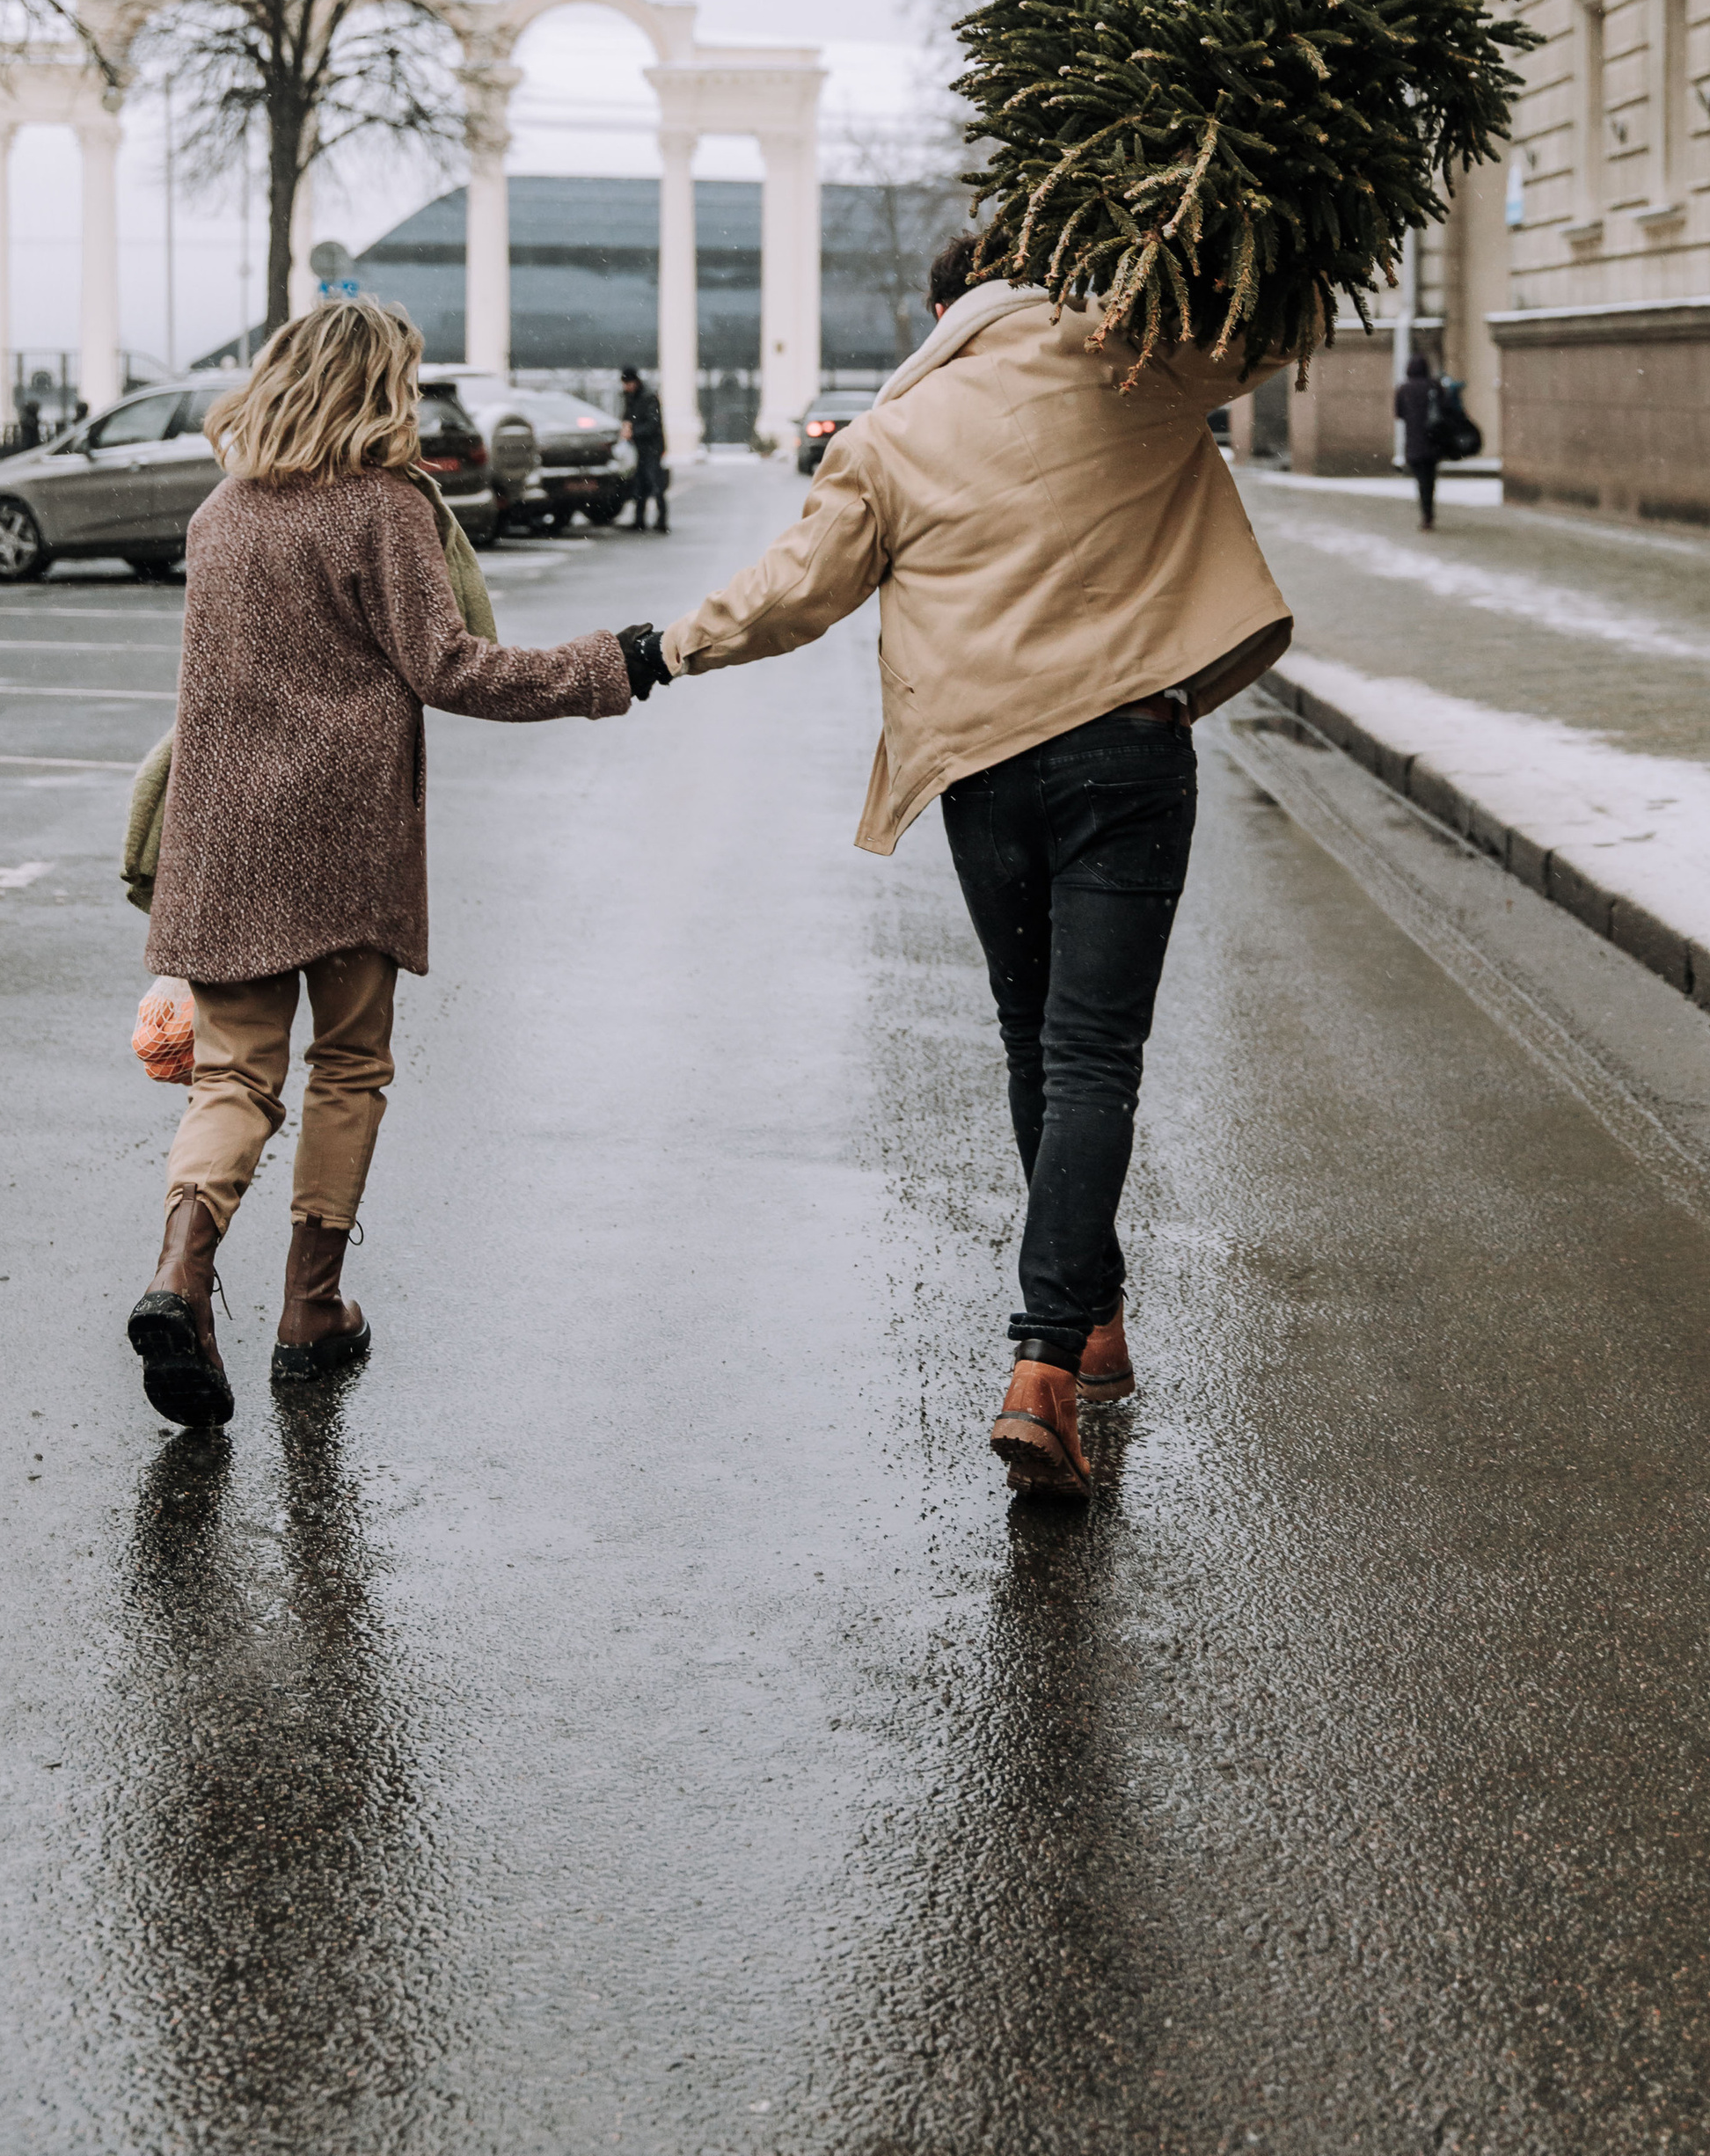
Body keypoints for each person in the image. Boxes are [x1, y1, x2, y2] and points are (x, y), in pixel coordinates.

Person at [661, 228, 1292, 1505]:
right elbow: (1273, 328)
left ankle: (1090, 1326)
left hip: (986, 773)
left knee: (1034, 1042)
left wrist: (664, 648)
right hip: (1127, 752)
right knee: (1093, 1057)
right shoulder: (1137, 359)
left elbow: (796, 591)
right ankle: (1047, 1368)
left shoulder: (890, 431)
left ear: (944, 306)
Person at [128, 296, 669, 1429]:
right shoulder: (382, 509)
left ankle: (181, 1269)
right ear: (381, 386)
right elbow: (452, 667)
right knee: (349, 1066)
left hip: (222, 831)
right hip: (343, 832)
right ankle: (309, 1309)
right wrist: (608, 667)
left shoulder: (220, 513)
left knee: (233, 1076)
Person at [1394, 347, 1442, 531]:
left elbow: (1399, 414)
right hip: (1433, 441)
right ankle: (1429, 512)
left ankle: (1426, 514)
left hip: (1414, 441)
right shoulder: (1434, 386)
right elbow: (1444, 410)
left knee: (1421, 480)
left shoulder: (1404, 389)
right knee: (1430, 479)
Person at [620, 365, 669, 533]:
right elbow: (628, 417)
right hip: (640, 447)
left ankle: (661, 520)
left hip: (652, 447)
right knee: (640, 484)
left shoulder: (648, 397)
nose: (625, 387)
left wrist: (632, 432)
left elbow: (653, 424)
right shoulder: (632, 396)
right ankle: (640, 520)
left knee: (654, 483)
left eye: (627, 383)